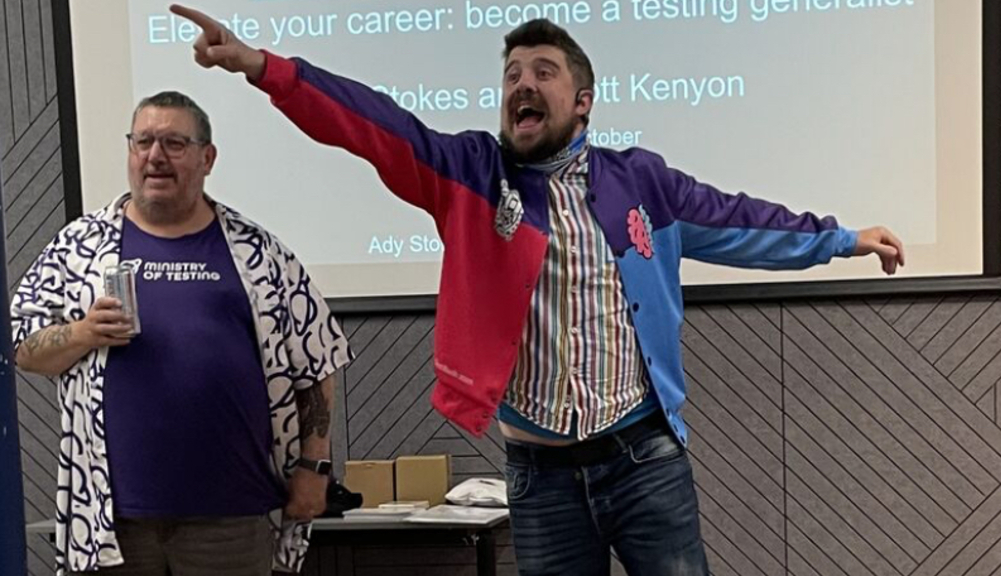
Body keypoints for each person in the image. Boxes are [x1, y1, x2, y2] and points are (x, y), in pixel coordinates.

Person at [170, 6, 905, 575]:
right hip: (541, 477)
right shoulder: (470, 175)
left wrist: (843, 238)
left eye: (543, 71)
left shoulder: (640, 180)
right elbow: (375, 127)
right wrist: (265, 67)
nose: (523, 82)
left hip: (646, 460)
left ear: (582, 101)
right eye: (512, 73)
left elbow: (744, 223)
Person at [11, 90, 350, 576]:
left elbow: (316, 364)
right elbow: (23, 349)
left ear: (207, 157)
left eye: (174, 143)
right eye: (143, 141)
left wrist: (314, 469)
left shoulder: (258, 252)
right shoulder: (78, 247)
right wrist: (82, 333)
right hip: (113, 524)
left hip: (232, 517)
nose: (155, 156)